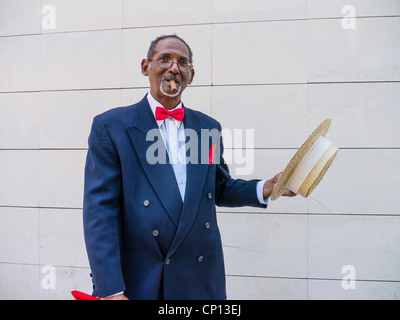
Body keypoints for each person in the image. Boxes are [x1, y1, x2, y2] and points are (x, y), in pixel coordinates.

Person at [83, 34, 295, 300]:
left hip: (201, 277)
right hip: (143, 280)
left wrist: (266, 187)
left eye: (182, 63)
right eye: (165, 59)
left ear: (191, 75)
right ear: (145, 67)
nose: (174, 68)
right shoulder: (111, 126)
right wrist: (110, 289)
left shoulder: (208, 127)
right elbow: (99, 214)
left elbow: (219, 187)